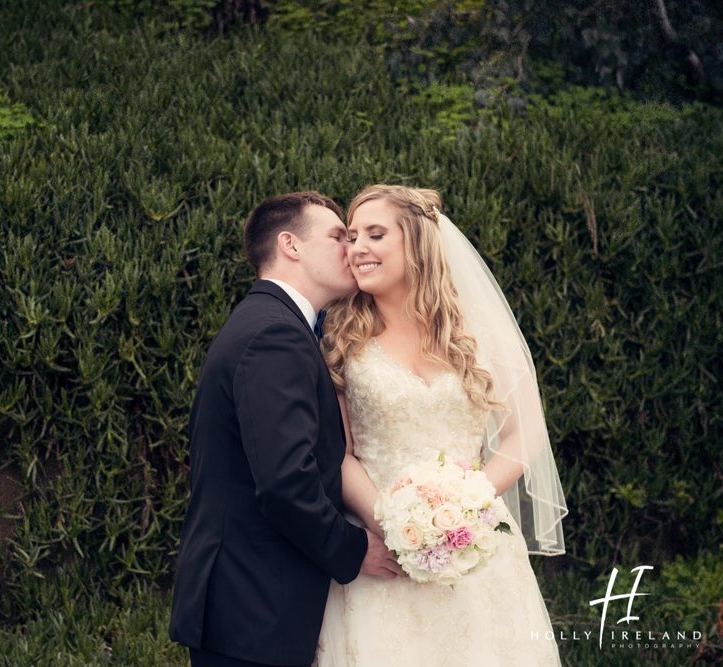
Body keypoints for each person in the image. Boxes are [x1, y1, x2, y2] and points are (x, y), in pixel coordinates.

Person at [314, 184, 569, 666]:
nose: (358, 248)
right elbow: (341, 450)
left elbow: (526, 432)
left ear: (416, 241)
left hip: (475, 542)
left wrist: (468, 505)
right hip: (382, 548)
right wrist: (389, 520)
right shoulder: (340, 336)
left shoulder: (479, 332)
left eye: (375, 233)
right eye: (351, 236)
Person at [170, 192, 401, 667]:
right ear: (290, 245)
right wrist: (355, 549)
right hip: (251, 609)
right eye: (339, 235)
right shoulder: (275, 335)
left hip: (249, 605)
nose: (352, 249)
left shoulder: (276, 324)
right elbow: (284, 482)